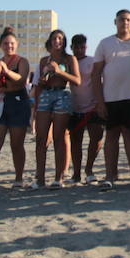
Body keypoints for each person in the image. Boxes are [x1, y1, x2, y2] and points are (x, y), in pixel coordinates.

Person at [91, 10, 130, 191]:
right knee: (111, 137)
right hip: (110, 98)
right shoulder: (105, 43)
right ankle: (110, 176)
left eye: (128, 20)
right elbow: (95, 74)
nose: (124, 23)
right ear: (115, 22)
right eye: (121, 20)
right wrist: (100, 102)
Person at [31, 29, 80, 189]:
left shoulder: (69, 59)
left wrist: (59, 71)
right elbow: (39, 85)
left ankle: (58, 178)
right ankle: (40, 178)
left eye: (60, 38)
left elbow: (77, 80)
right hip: (46, 94)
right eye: (54, 38)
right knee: (41, 139)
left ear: (64, 42)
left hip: (62, 94)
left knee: (59, 138)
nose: (57, 41)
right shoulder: (44, 60)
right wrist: (44, 77)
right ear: (50, 41)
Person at [0, 27, 31, 191]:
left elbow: (22, 80)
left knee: (16, 144)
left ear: (16, 44)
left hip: (18, 102)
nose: (9, 46)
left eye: (11, 43)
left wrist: (6, 71)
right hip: (0, 102)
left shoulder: (21, 61)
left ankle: (18, 178)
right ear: (0, 45)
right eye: (5, 43)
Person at [69, 33, 105, 185]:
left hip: (93, 106)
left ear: (86, 47)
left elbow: (101, 81)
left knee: (96, 138)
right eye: (76, 47)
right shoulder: (68, 62)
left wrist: (100, 101)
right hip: (73, 107)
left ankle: (89, 169)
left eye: (82, 47)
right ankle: (76, 173)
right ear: (71, 47)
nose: (79, 50)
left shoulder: (92, 61)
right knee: (75, 141)